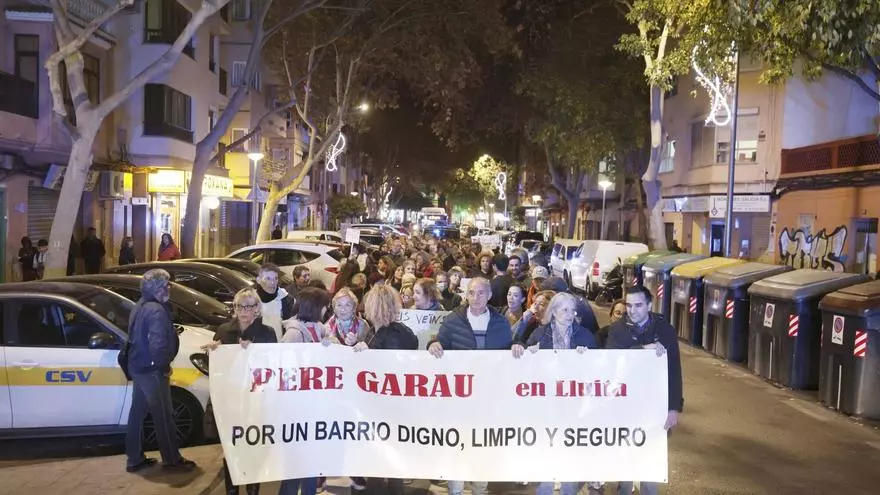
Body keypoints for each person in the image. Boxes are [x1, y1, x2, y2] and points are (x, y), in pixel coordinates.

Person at [428, 277, 512, 495]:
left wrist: (518, 346)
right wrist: (433, 344)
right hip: (459, 399)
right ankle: (455, 489)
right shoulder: (453, 320)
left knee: (483, 447)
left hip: (488, 399)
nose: (476, 298)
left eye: (481, 293)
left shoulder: (500, 322)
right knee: (457, 444)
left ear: (490, 295)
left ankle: (479, 489)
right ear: (466, 294)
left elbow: (509, 347)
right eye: (472, 293)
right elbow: (440, 343)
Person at [511, 292, 598, 495]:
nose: (569, 314)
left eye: (572, 310)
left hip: (574, 405)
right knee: (547, 448)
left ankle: (568, 489)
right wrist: (524, 351)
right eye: (564, 309)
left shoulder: (584, 335)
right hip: (547, 404)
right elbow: (525, 361)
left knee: (570, 449)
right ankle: (545, 488)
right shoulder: (540, 334)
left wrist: (588, 357)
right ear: (554, 311)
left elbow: (597, 369)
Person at [606, 286, 683, 495]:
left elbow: (674, 370)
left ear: (649, 305)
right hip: (624, 407)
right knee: (625, 460)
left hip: (654, 408)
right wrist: (642, 350)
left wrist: (674, 408)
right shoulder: (617, 330)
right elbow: (612, 361)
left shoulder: (664, 329)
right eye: (629, 305)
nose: (632, 310)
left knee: (650, 463)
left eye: (638, 305)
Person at [202, 288, 276, 495]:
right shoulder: (224, 330)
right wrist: (213, 352)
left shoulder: (267, 333)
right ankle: (231, 490)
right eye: (240, 306)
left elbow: (273, 366)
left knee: (253, 449)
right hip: (231, 401)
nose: (244, 310)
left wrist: (253, 352)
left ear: (257, 309)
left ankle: (253, 490)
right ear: (234, 308)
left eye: (249, 306)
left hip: (255, 401)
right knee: (231, 449)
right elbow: (215, 368)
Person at [124, 269, 195, 472]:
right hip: (152, 370)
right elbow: (158, 345)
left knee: (137, 413)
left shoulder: (140, 305)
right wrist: (163, 366)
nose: (169, 288)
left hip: (138, 366)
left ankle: (134, 458)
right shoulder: (156, 310)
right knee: (163, 415)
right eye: (166, 285)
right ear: (157, 288)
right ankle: (172, 459)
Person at [352, 284, 419, 495]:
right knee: (392, 461)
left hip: (383, 409)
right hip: (398, 409)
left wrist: (367, 352)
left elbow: (385, 371)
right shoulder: (398, 332)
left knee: (379, 462)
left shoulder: (384, 335)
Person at [254, 264, 295, 341]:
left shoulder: (286, 299)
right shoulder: (251, 300)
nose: (273, 282)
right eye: (268, 278)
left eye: (275, 278)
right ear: (258, 280)